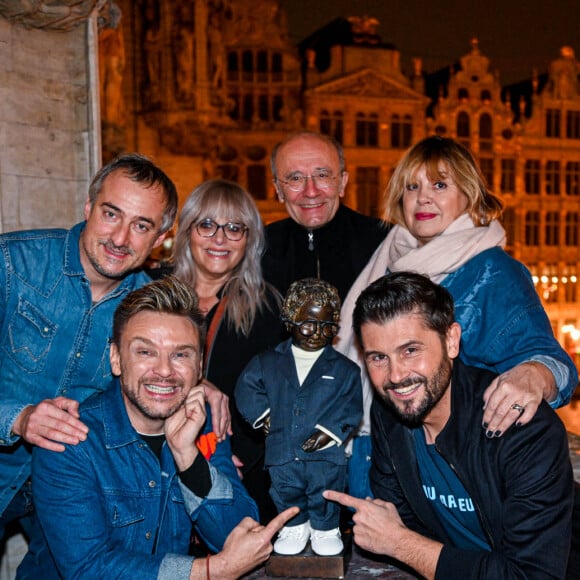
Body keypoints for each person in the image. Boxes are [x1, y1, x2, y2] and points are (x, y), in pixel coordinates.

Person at [0, 153, 228, 574]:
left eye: (141, 225)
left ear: (160, 236)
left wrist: (201, 382)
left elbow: (158, 369)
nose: (121, 238)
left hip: (73, 484)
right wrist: (17, 418)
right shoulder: (14, 264)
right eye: (111, 214)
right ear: (88, 208)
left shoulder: (146, 307)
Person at [337, 136, 578, 499]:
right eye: (411, 186)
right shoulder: (389, 258)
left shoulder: (493, 270)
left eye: (440, 184)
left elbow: (552, 363)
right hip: (377, 448)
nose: (423, 197)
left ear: (469, 195)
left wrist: (534, 374)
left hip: (449, 468)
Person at [30, 277, 299, 578]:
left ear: (199, 368)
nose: (164, 371)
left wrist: (188, 456)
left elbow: (238, 535)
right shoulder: (70, 439)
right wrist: (211, 571)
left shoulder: (204, 422)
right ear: (116, 359)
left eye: (181, 354)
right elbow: (87, 568)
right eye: (145, 352)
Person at [325, 272, 574, 579]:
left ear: (451, 340)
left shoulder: (523, 429)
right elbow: (402, 519)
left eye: (410, 350)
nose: (395, 375)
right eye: (378, 357)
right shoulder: (390, 412)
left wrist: (402, 545)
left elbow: (533, 575)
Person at [168, 179, 285, 523]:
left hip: (233, 471)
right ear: (187, 231)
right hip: (155, 465)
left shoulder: (267, 309)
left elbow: (278, 403)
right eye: (207, 225)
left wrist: (236, 457)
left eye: (235, 228)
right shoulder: (152, 293)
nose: (219, 239)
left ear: (250, 240)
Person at [236, 279, 363, 556]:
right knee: (285, 489)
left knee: (325, 490)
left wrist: (329, 433)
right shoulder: (267, 362)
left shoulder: (346, 370)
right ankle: (294, 525)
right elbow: (245, 388)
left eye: (327, 328)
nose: (317, 334)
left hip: (325, 455)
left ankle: (325, 528)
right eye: (308, 325)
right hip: (282, 450)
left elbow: (351, 406)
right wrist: (263, 415)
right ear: (289, 321)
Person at [263, 131, 388, 301]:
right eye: (296, 178)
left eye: (322, 175)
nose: (311, 192)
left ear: (342, 183)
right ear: (278, 189)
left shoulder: (384, 244)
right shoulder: (257, 250)